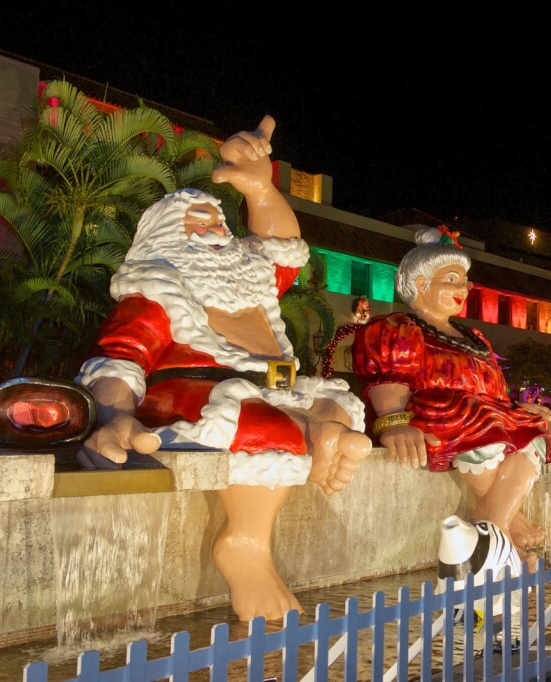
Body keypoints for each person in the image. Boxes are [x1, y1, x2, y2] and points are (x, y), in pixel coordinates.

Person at [74, 116, 372, 621]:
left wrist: (261, 189)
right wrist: (114, 416)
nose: (216, 230)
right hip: (194, 395)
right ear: (166, 238)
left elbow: (281, 249)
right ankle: (246, 545)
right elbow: (122, 358)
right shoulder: (157, 289)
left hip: (275, 388)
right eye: (199, 222)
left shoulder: (249, 281)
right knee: (265, 427)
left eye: (218, 221)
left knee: (336, 403)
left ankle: (320, 430)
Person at [351, 226, 551, 564]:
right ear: (421, 284)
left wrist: (516, 407)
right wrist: (393, 420)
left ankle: (493, 529)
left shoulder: (474, 337)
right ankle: (505, 528)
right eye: (452, 280)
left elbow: (492, 390)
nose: (463, 289)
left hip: (485, 414)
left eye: (464, 281)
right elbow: (389, 378)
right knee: (484, 424)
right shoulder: (399, 328)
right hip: (441, 414)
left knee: (533, 428)